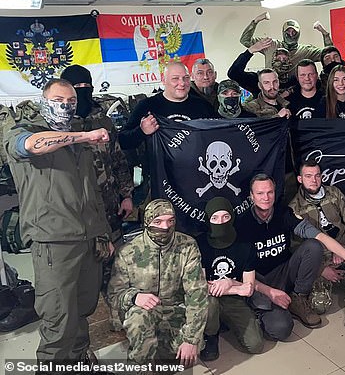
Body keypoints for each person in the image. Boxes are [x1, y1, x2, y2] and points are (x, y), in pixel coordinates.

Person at [3, 78, 112, 364]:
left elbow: (93, 189)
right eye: (59, 101)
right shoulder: (23, 132)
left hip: (87, 239)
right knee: (58, 318)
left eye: (71, 102)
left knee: (83, 309)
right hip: (53, 242)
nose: (66, 107)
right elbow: (31, 146)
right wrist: (83, 137)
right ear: (43, 102)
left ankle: (79, 362)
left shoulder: (78, 136)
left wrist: (102, 233)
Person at [235, 174, 345, 335]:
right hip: (259, 281)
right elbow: (240, 276)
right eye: (260, 193)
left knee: (313, 246)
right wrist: (270, 292)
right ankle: (260, 309)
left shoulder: (283, 213)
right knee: (281, 329)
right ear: (251, 196)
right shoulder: (241, 224)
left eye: (270, 192)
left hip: (285, 271)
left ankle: (298, 297)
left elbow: (320, 236)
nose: (266, 197)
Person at [60, 64, 134, 331]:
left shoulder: (101, 118)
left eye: (85, 87)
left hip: (111, 206)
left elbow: (118, 159)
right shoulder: (59, 125)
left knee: (115, 268)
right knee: (81, 276)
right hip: (78, 215)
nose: (82, 93)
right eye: (75, 89)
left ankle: (119, 318)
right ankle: (79, 336)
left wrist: (127, 195)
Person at [107, 199, 208, 367]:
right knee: (138, 319)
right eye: (158, 221)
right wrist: (134, 297)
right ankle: (138, 365)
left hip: (175, 309)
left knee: (183, 357)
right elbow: (114, 295)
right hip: (143, 313)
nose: (165, 227)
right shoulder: (128, 251)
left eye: (170, 221)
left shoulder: (187, 246)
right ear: (147, 222)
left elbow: (197, 293)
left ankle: (160, 349)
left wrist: (191, 340)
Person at [288, 160, 345, 314]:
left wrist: (341, 247)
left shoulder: (334, 193)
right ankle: (340, 277)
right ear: (300, 179)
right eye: (308, 176)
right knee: (320, 306)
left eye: (317, 175)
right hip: (318, 257)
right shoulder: (294, 207)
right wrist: (321, 269)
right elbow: (294, 246)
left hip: (343, 245)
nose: (314, 180)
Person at [197, 197, 263, 361]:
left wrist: (229, 283)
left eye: (225, 217)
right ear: (208, 219)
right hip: (208, 299)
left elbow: (248, 289)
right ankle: (211, 336)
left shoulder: (245, 244)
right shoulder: (200, 244)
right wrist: (237, 287)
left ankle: (224, 320)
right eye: (215, 218)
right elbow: (200, 286)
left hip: (234, 300)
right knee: (210, 303)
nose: (220, 222)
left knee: (255, 345)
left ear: (232, 218)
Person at [118, 61, 216, 151]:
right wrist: (141, 131)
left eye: (186, 78)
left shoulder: (202, 105)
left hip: (195, 167)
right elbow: (123, 142)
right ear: (164, 80)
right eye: (175, 79)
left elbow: (221, 132)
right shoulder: (147, 105)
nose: (182, 83)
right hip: (160, 169)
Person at [240, 13, 333, 68]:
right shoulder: (271, 44)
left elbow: (329, 54)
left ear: (298, 33)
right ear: (283, 33)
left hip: (293, 93)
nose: (291, 34)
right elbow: (245, 40)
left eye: (294, 32)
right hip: (270, 91)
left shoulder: (306, 51)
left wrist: (325, 34)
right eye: (288, 32)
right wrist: (256, 21)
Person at [228, 38, 298, 98]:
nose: (281, 61)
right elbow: (234, 74)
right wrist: (250, 51)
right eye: (278, 58)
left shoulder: (294, 82)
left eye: (285, 59)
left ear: (289, 63)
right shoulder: (257, 80)